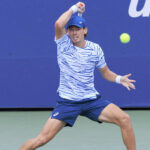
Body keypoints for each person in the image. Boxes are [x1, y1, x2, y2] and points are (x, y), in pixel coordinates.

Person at [19, 2, 136, 150]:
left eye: (78, 29)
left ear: (85, 30)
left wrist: (119, 79)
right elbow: (58, 23)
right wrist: (74, 9)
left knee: (125, 119)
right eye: (71, 29)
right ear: (67, 32)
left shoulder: (95, 49)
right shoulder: (63, 45)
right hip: (68, 102)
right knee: (41, 140)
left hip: (91, 101)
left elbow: (106, 73)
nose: (74, 33)